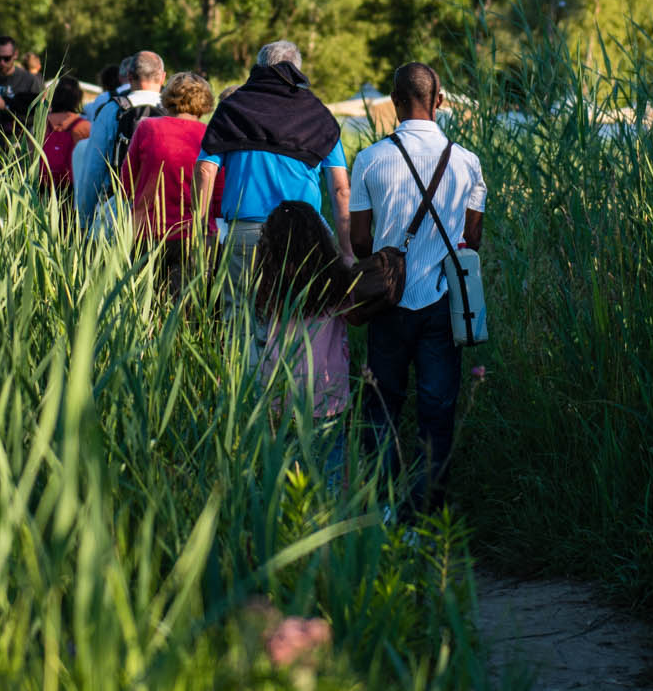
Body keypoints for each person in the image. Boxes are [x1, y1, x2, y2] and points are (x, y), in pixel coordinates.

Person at [350, 61, 486, 518]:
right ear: (440, 100)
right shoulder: (467, 162)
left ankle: (387, 512)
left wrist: (392, 255)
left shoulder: (369, 159)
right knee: (437, 410)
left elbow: (359, 242)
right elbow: (472, 240)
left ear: (393, 101)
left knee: (382, 407)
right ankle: (426, 512)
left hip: (388, 301)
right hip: (444, 304)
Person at [195, 40, 352, 317]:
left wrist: (200, 229)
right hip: (302, 236)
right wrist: (347, 249)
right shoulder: (318, 115)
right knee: (298, 317)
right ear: (297, 70)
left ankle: (247, 362)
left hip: (245, 232)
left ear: (260, 67)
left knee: (240, 320)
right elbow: (340, 189)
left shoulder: (233, 108)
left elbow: (205, 169)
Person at [254, 199, 357, 483]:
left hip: (280, 393)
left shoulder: (269, 282)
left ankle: (290, 523)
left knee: (286, 470)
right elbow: (355, 311)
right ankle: (332, 519)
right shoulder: (334, 283)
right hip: (328, 394)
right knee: (331, 466)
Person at [124, 71, 223, 288]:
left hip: (147, 232)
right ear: (206, 101)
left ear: (168, 97)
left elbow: (127, 179)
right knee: (187, 308)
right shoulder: (210, 136)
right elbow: (218, 193)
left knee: (144, 307)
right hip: (195, 233)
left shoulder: (147, 127)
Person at [75, 50, 165, 231]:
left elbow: (94, 168)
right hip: (160, 213)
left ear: (129, 77)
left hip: (115, 209)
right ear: (162, 77)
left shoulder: (113, 110)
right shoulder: (171, 111)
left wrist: (85, 219)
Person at [0, 35, 45, 175]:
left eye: (6, 58)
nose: (1, 62)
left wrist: (6, 108)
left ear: (15, 55)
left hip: (20, 152)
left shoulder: (29, 82)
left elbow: (37, 119)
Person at [37, 75, 92, 195]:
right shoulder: (84, 127)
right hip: (72, 187)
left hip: (42, 184)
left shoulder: (41, 123)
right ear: (78, 98)